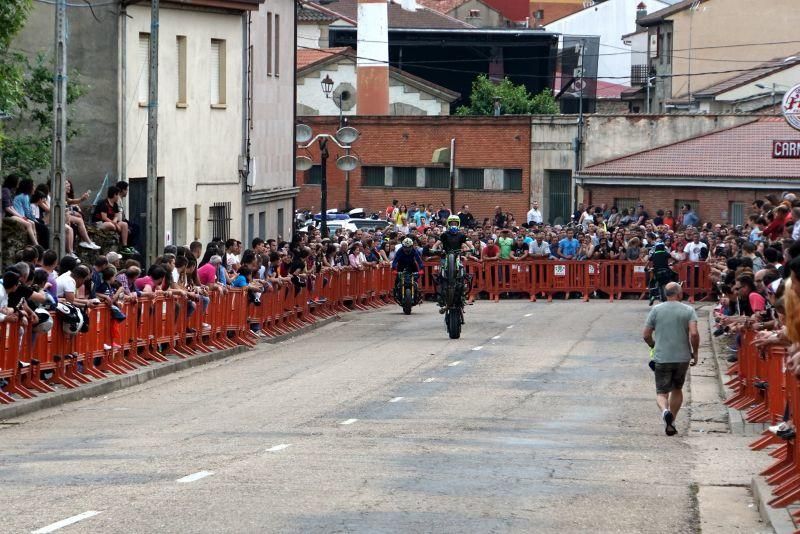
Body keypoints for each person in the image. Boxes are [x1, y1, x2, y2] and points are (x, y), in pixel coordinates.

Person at [642, 282, 699, 436]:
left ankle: (665, 411)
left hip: (662, 356)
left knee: (661, 392)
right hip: (682, 357)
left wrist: (653, 346)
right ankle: (672, 421)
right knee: (677, 389)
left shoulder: (656, 310)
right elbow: (694, 334)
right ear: (679, 294)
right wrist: (695, 352)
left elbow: (646, 334)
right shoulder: (688, 310)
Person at [93, 186, 137, 255]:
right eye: (118, 195)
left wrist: (115, 222)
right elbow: (104, 217)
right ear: (114, 195)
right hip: (100, 223)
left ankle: (124, 246)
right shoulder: (104, 203)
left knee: (124, 224)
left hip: (112, 222)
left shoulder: (115, 204)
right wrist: (115, 225)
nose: (119, 197)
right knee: (111, 226)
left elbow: (116, 216)